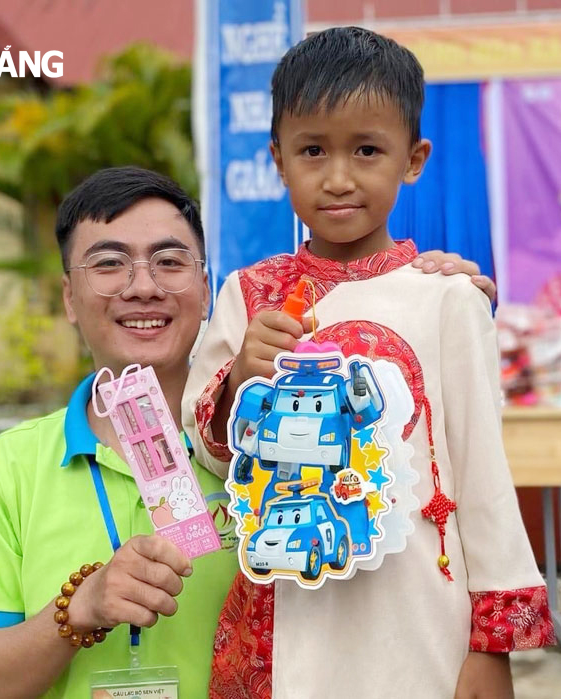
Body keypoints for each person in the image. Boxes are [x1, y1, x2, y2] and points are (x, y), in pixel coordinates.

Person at [0, 166, 496, 699]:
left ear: (208, 288)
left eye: (169, 261)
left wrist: (421, 292)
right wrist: (80, 607)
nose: (144, 287)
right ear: (69, 296)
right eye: (109, 264)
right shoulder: (11, 465)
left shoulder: (285, 435)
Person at [181, 28, 555, 699]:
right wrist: (241, 377)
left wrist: (489, 645)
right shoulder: (248, 294)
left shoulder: (448, 298)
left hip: (420, 617)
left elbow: (484, 481)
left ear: (413, 160)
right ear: (278, 159)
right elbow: (206, 452)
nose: (339, 177)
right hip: (287, 617)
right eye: (313, 150)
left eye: (367, 150)